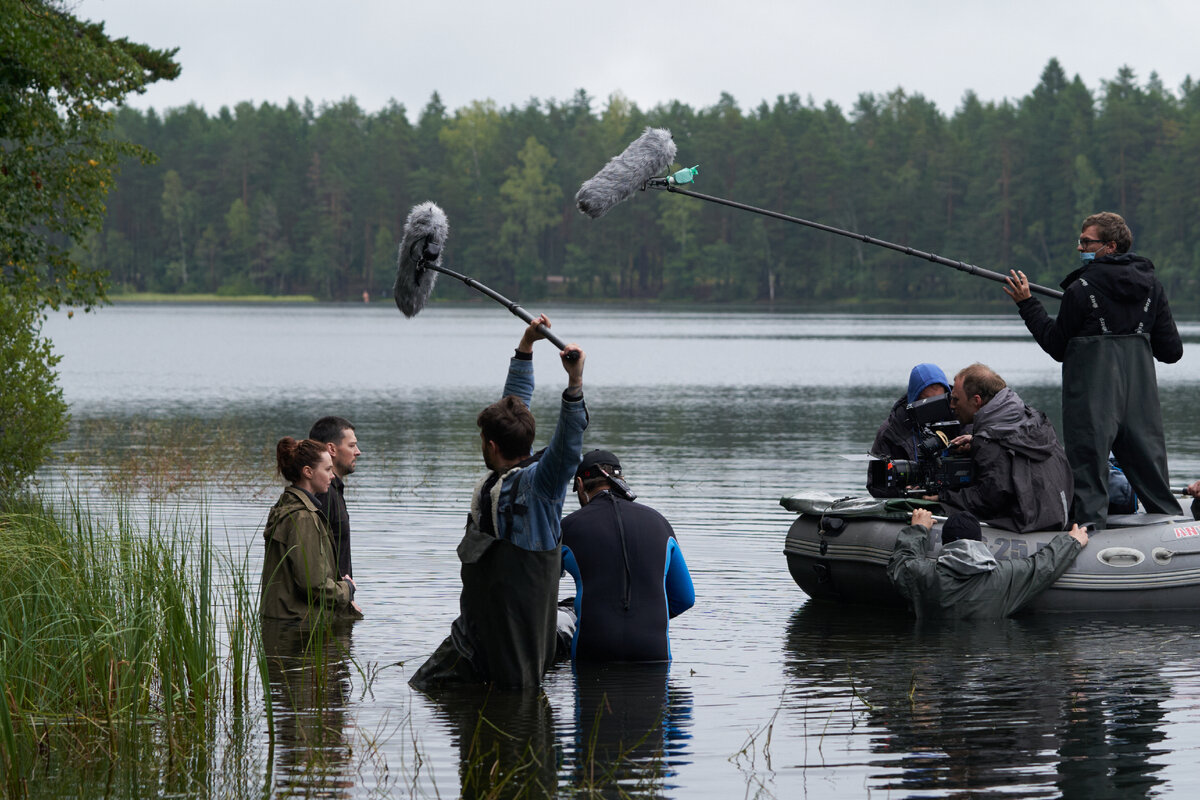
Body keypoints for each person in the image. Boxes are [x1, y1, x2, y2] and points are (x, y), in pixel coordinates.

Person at [410, 314, 588, 690]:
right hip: (474, 628)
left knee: (514, 707)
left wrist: (575, 384)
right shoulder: (499, 473)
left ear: (490, 445)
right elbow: (513, 405)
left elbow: (568, 448)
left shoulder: (540, 485)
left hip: (518, 635)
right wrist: (526, 346)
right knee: (425, 687)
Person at [1004, 211, 1183, 528]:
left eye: (1086, 241)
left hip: (1092, 403)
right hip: (1141, 404)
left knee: (1088, 476)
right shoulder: (1152, 286)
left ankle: (1086, 537)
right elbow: (1172, 352)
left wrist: (1027, 304)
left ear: (1110, 246)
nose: (1080, 247)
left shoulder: (1079, 290)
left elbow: (1056, 346)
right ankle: (1174, 533)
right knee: (1154, 478)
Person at [560, 449, 695, 662]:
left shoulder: (567, 528)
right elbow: (685, 598)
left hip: (593, 650)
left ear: (579, 484)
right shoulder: (659, 523)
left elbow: (541, 589)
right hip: (653, 651)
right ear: (620, 480)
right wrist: (643, 617)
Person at [935, 363, 1073, 533]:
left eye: (956, 399)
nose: (951, 405)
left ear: (976, 400)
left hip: (1031, 523)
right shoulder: (1030, 417)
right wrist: (976, 440)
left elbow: (988, 500)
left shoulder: (991, 441)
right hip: (1057, 513)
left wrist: (942, 497)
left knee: (948, 513)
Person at [887, 507, 1089, 618]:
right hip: (986, 664)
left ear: (944, 543)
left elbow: (902, 560)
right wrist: (1071, 541)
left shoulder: (923, 575)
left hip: (937, 660)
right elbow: (1044, 565)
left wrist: (919, 529)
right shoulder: (1003, 576)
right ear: (980, 541)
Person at [260, 437, 362, 620]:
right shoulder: (303, 517)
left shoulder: (287, 507)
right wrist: (347, 588)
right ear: (308, 472)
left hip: (286, 622)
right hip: (300, 628)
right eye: (327, 469)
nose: (332, 476)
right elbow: (314, 586)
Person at [308, 416, 360, 579]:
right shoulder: (324, 493)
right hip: (328, 599)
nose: (357, 452)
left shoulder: (332, 490)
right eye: (351, 446)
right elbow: (314, 558)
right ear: (332, 449)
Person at [871, 363, 953, 461]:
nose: (933, 409)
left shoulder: (961, 419)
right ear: (914, 399)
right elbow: (875, 474)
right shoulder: (891, 432)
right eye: (927, 402)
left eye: (938, 401)